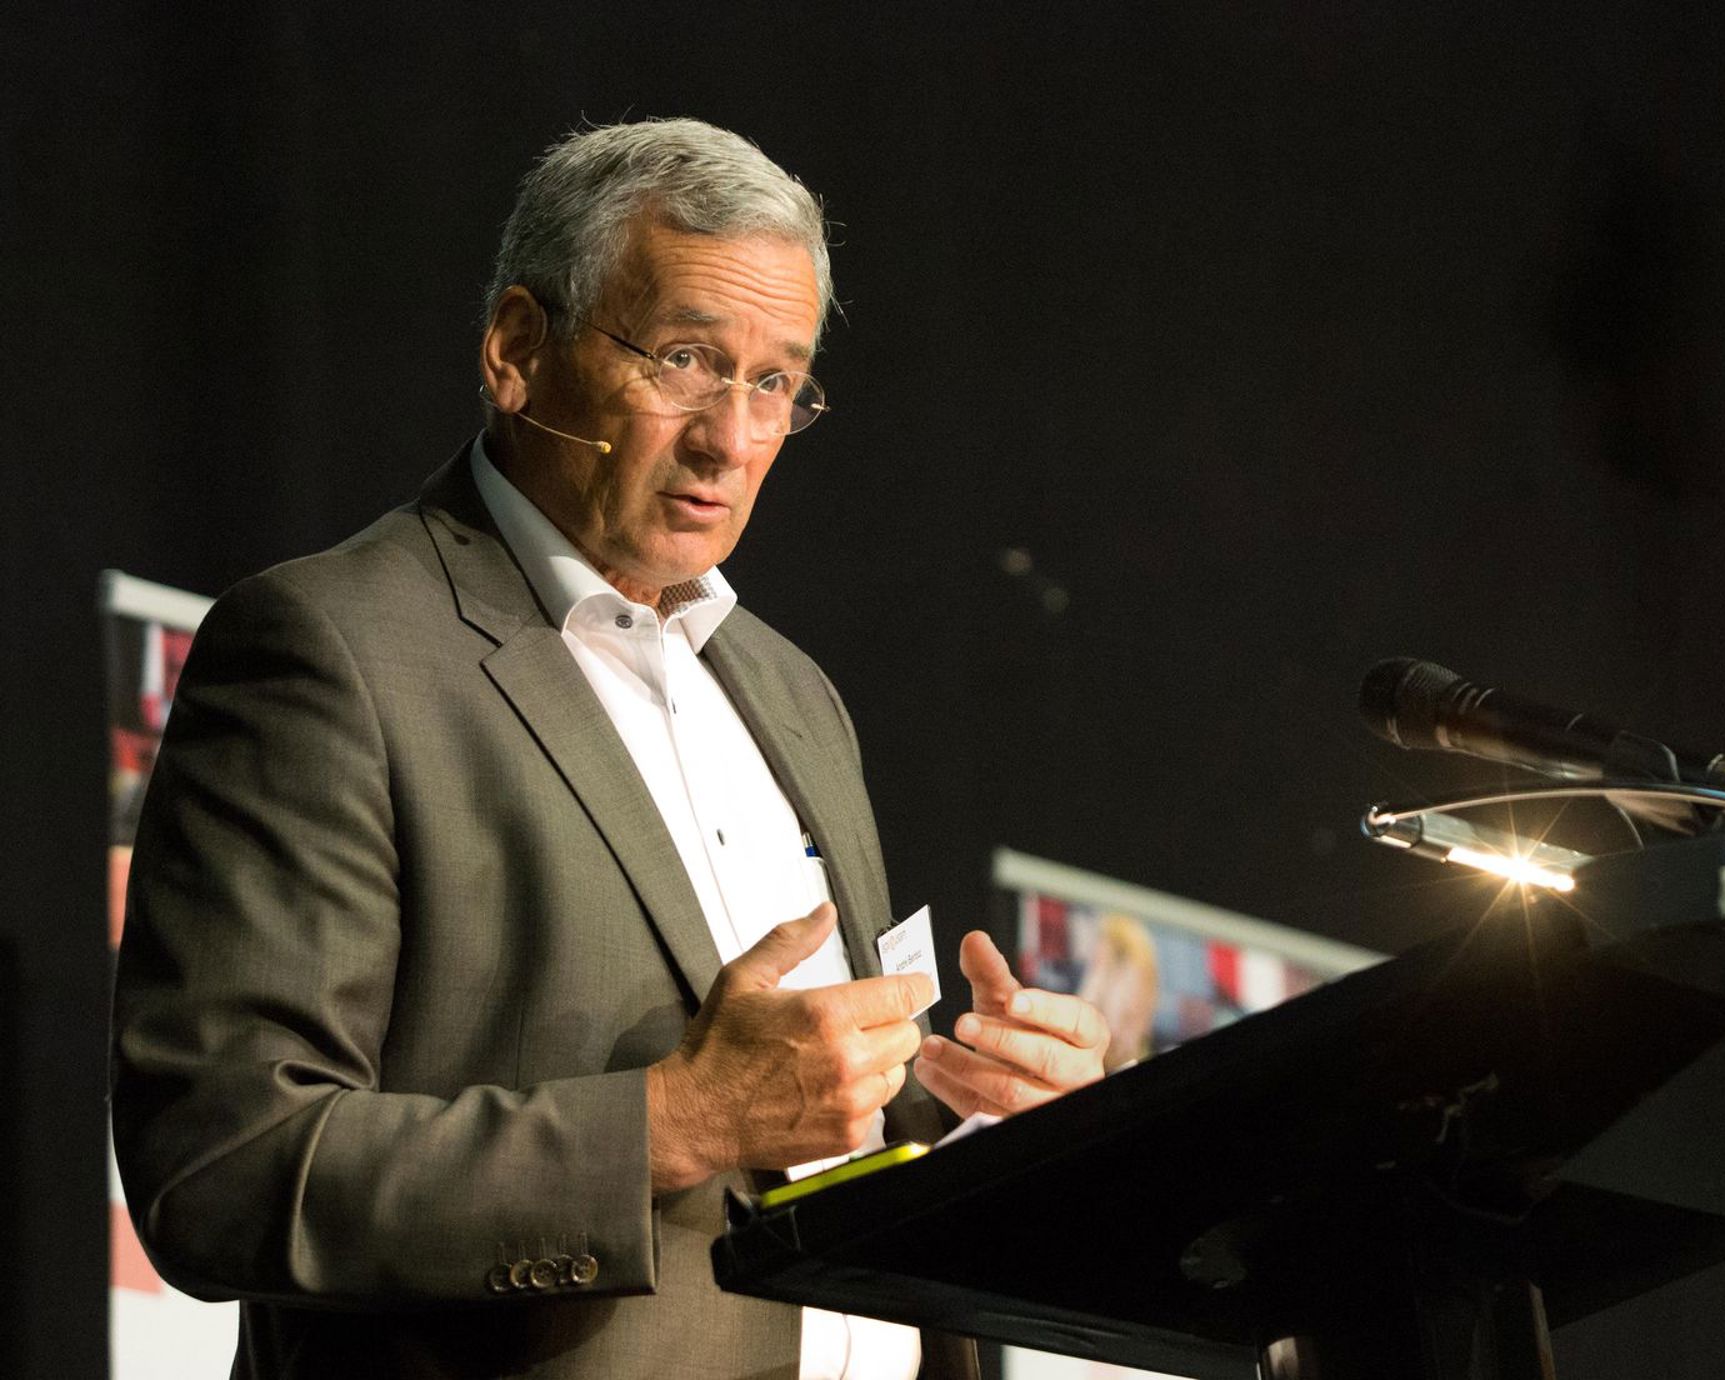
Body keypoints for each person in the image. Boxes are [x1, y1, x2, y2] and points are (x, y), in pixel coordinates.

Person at [112, 118, 1109, 1380]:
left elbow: (807, 1148)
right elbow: (221, 1171)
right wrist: (667, 1124)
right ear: (517, 350)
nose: (730, 439)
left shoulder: (792, 693)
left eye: (774, 384)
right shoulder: (331, 651)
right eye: (685, 359)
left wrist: (977, 1116)